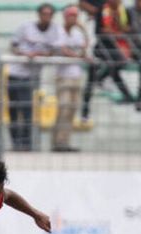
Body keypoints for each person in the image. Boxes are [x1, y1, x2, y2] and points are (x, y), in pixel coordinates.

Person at [7, 3, 60, 152]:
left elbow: (56, 50)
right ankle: (16, 144)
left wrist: (42, 55)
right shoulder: (25, 27)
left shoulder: (55, 31)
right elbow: (13, 46)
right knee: (14, 112)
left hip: (32, 77)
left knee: (27, 112)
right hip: (15, 73)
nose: (46, 17)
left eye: (49, 14)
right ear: (39, 14)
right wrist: (25, 54)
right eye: (44, 14)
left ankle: (26, 144)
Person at [81, 0, 135, 124]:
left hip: (115, 46)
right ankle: (85, 112)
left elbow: (129, 29)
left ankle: (103, 80)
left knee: (118, 64)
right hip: (100, 46)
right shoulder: (101, 10)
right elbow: (98, 32)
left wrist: (118, 32)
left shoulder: (125, 11)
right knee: (91, 79)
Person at [51, 5, 87, 152]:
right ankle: (57, 142)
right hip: (63, 76)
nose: (74, 18)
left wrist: (84, 30)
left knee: (72, 110)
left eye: (75, 16)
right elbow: (63, 50)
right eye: (71, 15)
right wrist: (77, 55)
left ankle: (65, 141)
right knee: (63, 109)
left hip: (76, 76)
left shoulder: (78, 34)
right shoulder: (58, 31)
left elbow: (84, 49)